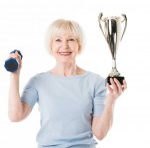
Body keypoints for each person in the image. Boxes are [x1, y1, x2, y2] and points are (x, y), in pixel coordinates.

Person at [8, 19, 127, 148]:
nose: (64, 46)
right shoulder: (38, 81)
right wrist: (15, 75)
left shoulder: (95, 82)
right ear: (51, 46)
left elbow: (100, 133)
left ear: (79, 45)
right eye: (58, 40)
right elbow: (16, 116)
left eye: (71, 40)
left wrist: (111, 100)